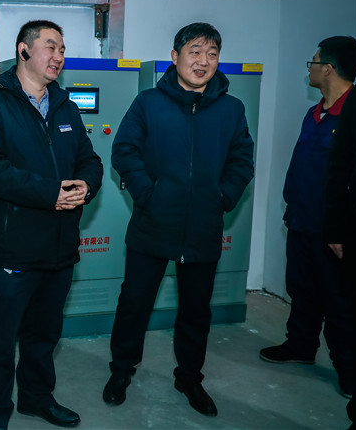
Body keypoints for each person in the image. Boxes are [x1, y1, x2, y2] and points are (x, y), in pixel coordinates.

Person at [102, 22, 254, 417]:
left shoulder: (231, 109)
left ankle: (189, 377)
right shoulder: (149, 103)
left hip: (203, 225)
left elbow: (242, 160)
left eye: (212, 54)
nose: (203, 61)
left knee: (196, 309)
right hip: (153, 222)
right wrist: (148, 194)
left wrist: (223, 197)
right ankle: (121, 370)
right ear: (175, 57)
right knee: (134, 302)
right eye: (195, 52)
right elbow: (124, 150)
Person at [0, 19, 103, 430]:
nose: (59, 56)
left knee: (43, 334)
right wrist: (49, 193)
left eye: (62, 49)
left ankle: (36, 398)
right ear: (23, 51)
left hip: (59, 246)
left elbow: (89, 159)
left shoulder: (65, 107)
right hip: (11, 246)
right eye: (50, 47)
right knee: (0, 337)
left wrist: (86, 185)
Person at [260, 36, 356, 399]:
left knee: (338, 301)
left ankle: (350, 370)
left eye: (314, 62)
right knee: (301, 289)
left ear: (328, 69)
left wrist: (342, 230)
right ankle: (300, 345)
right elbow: (301, 166)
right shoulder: (315, 113)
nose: (311, 68)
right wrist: (291, 207)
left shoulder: (352, 116)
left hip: (333, 231)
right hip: (302, 221)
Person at [324, 36, 356, 430]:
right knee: (334, 299)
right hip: (336, 224)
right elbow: (340, 167)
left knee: (339, 302)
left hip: (335, 222)